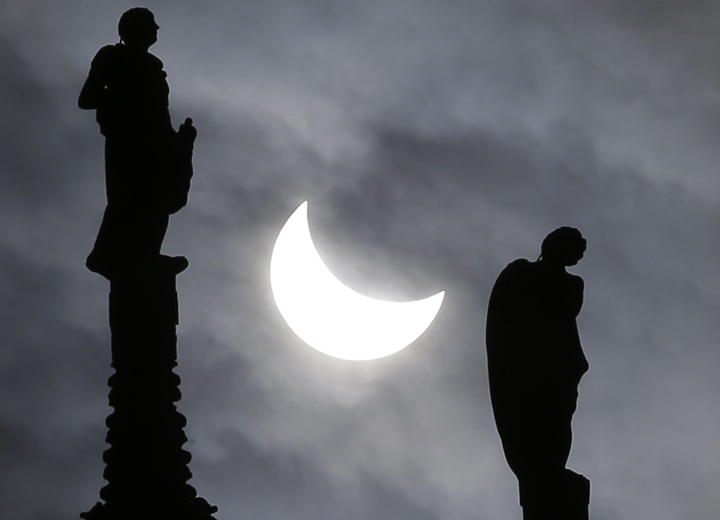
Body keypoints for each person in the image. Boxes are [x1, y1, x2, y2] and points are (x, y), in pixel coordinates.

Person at [79, 7, 196, 280]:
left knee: (159, 199)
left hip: (156, 140)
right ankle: (105, 255)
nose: (157, 29)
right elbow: (87, 99)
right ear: (134, 29)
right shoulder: (111, 57)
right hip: (129, 140)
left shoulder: (154, 67)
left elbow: (159, 111)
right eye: (151, 25)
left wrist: (178, 139)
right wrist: (126, 104)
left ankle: (147, 255)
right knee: (129, 199)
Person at [485, 227, 590, 520]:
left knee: (558, 419)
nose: (575, 257)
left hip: (558, 367)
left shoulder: (572, 285)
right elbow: (503, 320)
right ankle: (540, 474)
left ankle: (551, 470)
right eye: (572, 249)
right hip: (526, 367)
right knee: (532, 422)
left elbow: (564, 310)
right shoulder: (520, 273)